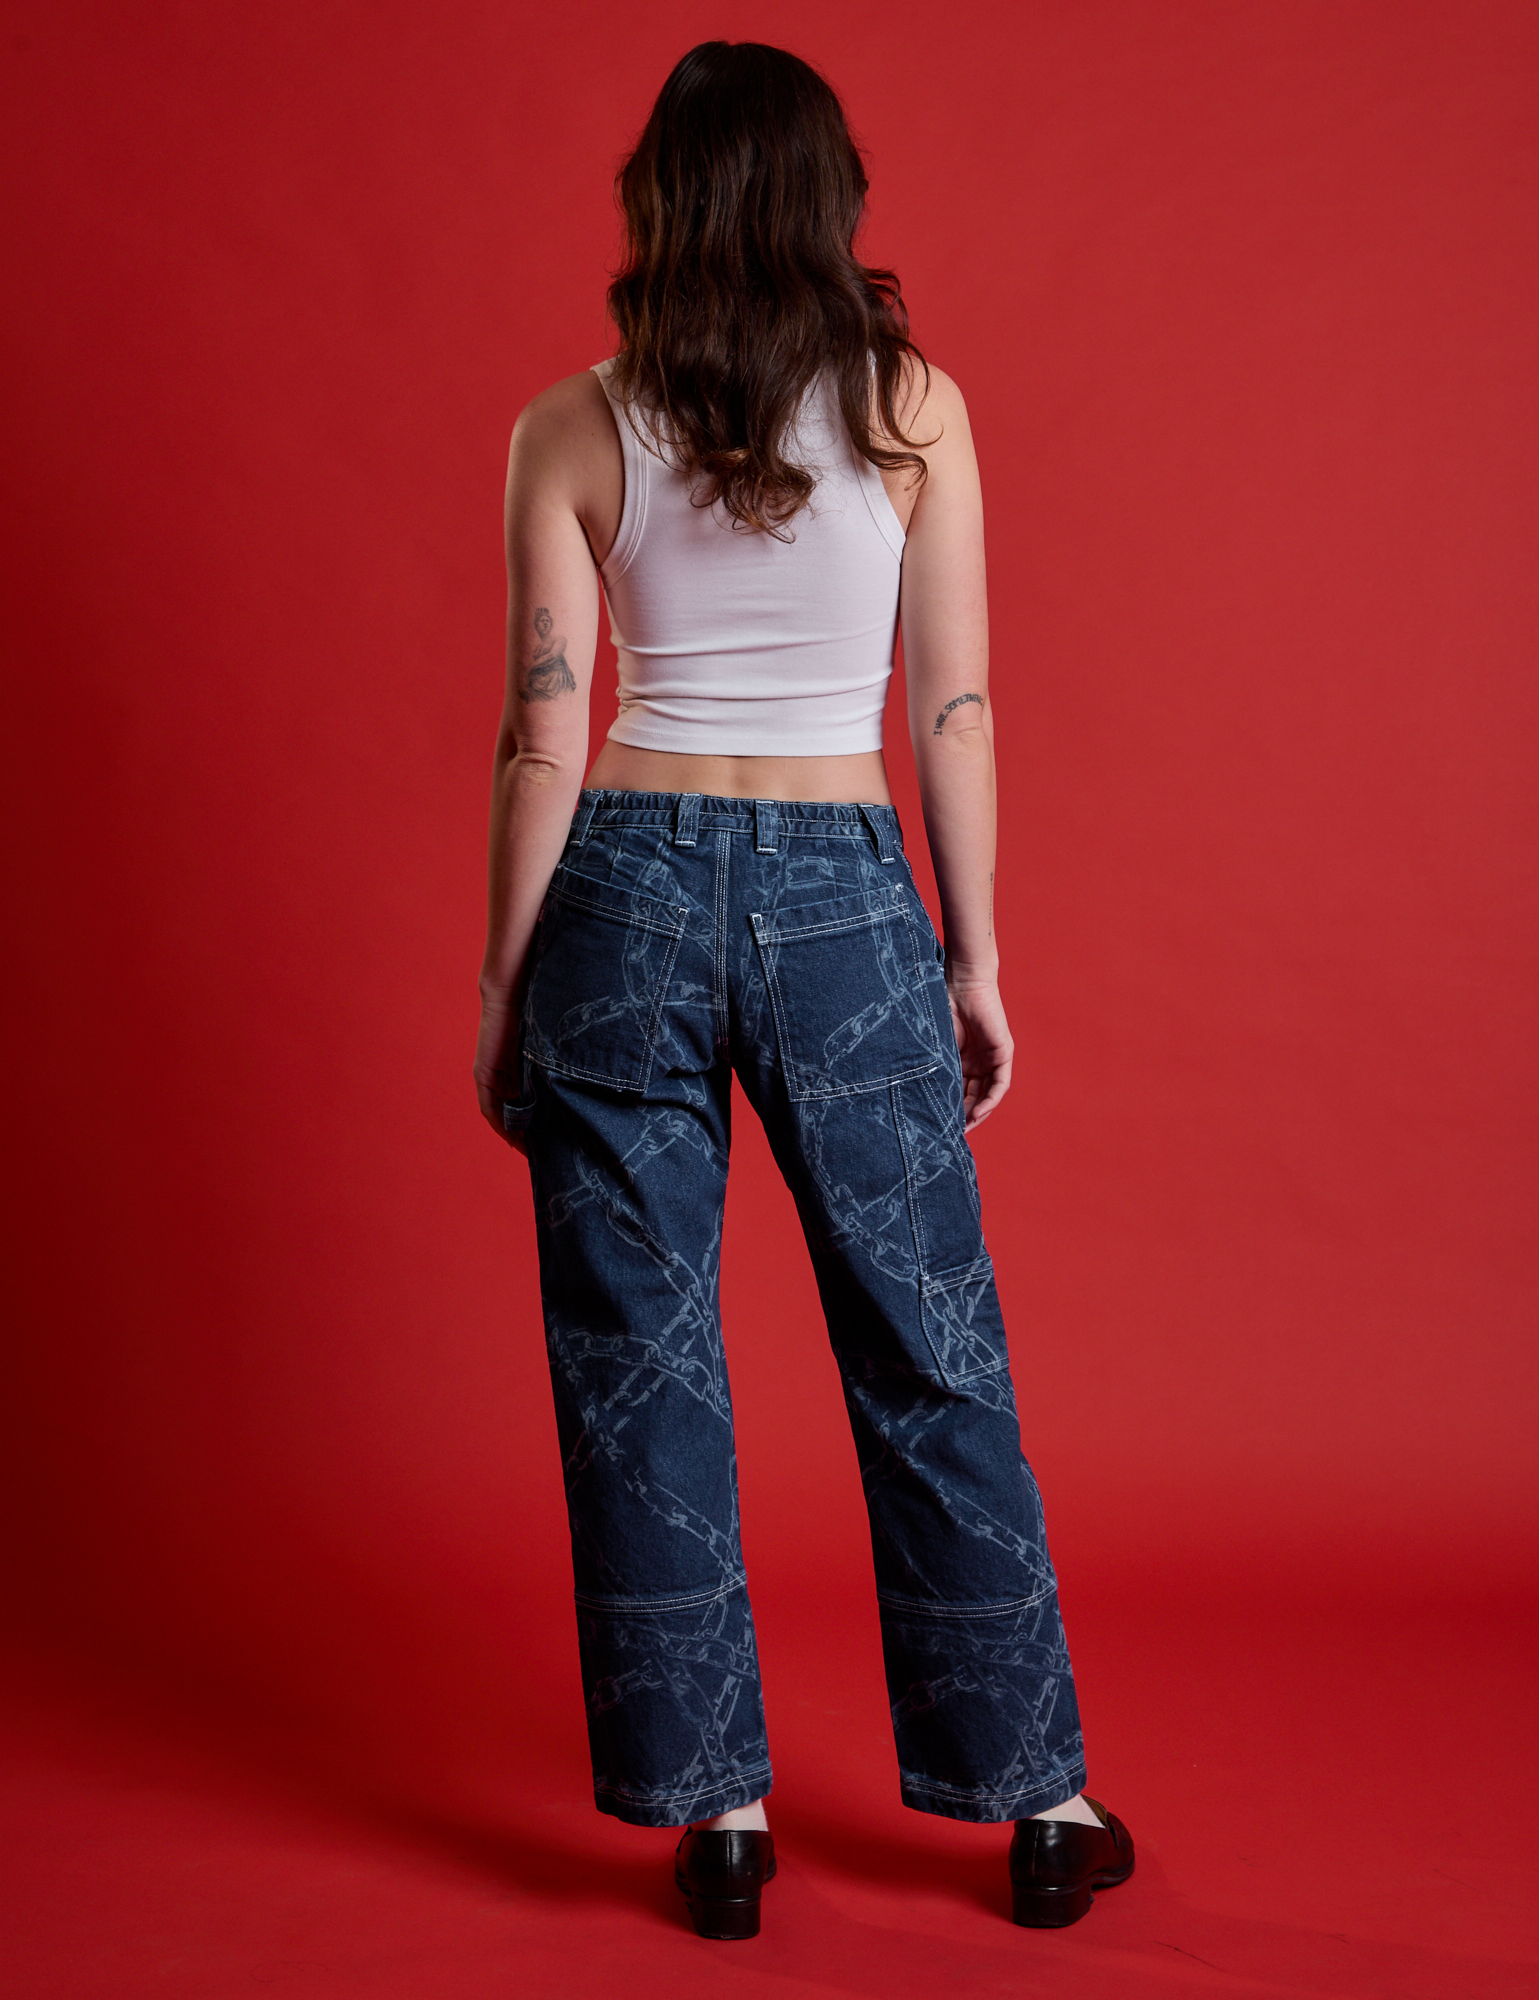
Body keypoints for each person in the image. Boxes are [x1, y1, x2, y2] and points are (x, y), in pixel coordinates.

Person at [473, 40, 1134, 1940]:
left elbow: (541, 732)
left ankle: (726, 1816)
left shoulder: (568, 429)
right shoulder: (915, 408)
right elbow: (956, 705)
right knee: (927, 1340)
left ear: (655, 203)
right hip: (850, 901)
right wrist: (975, 953)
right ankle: (1042, 1803)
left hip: (627, 885)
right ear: (833, 203)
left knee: (639, 1363)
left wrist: (511, 983)